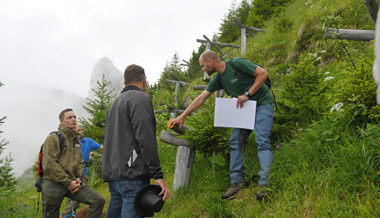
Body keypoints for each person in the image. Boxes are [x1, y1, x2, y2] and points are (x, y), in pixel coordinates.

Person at [171, 50, 274, 200]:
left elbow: (263, 73)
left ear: (210, 61)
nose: (202, 69)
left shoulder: (237, 63)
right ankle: (237, 182)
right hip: (245, 109)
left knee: (262, 140)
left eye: (202, 66)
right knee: (235, 141)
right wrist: (182, 116)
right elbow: (201, 98)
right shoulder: (218, 79)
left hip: (263, 104)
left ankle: (265, 183)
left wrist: (248, 94)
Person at [102, 64, 170, 218]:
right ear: (144, 80)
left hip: (114, 176)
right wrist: (157, 175)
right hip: (133, 176)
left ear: (125, 81)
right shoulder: (140, 98)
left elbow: (108, 140)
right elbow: (145, 138)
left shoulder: (113, 105)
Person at [41, 108, 105, 218]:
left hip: (73, 183)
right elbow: (49, 164)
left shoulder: (75, 140)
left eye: (74, 117)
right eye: (69, 117)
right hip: (54, 183)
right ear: (62, 121)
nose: (73, 119)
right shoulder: (53, 138)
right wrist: (68, 183)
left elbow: (80, 162)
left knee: (98, 201)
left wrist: (78, 179)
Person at [61, 124, 103, 217]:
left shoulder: (88, 141)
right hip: (72, 174)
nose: (81, 131)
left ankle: (66, 215)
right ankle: (66, 215)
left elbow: (101, 147)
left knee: (77, 198)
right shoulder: (71, 142)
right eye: (79, 130)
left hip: (83, 173)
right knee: (72, 199)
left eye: (82, 129)